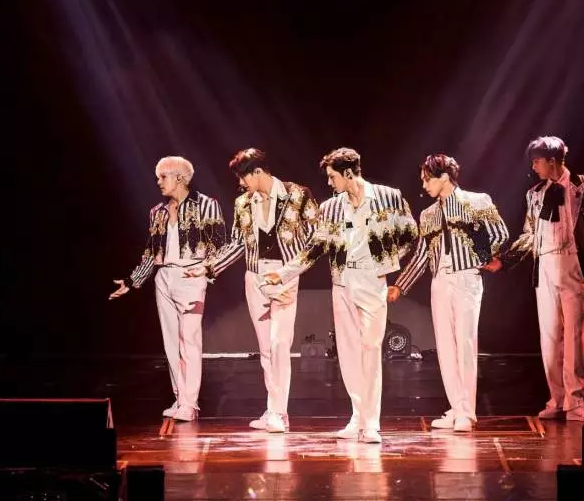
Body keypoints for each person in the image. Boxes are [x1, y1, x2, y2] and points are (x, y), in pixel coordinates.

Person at [264, 147, 418, 443]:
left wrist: (387, 261)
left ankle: (371, 422)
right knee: (347, 352)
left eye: (332, 176)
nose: (329, 182)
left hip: (372, 280)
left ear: (349, 173)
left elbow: (411, 233)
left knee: (370, 347)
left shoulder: (389, 197)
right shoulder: (330, 208)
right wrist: (284, 273)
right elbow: (314, 247)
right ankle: (358, 416)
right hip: (343, 281)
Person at [185, 148, 319, 433]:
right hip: (255, 278)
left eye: (243, 177)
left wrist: (292, 271)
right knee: (266, 349)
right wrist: (208, 267)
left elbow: (316, 238)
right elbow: (237, 243)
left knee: (279, 344)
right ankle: (275, 410)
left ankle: (278, 412)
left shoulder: (298, 194)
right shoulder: (243, 202)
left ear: (258, 172)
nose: (241, 183)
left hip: (284, 276)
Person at [490, 136, 584, 422]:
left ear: (553, 160)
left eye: (537, 161)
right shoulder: (534, 193)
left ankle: (575, 401)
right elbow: (530, 234)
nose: (533, 167)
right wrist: (505, 260)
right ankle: (556, 398)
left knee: (573, 337)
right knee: (549, 336)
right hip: (544, 264)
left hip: (571, 262)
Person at [388, 154, 509, 432]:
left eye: (427, 179)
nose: (424, 185)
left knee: (465, 342)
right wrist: (400, 285)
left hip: (465, 277)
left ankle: (467, 411)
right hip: (439, 280)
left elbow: (499, 233)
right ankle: (456, 407)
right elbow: (421, 256)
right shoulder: (428, 214)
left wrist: (480, 257)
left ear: (444, 177)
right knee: (444, 345)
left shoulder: (477, 201)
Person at [109, 156, 225, 421]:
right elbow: (150, 253)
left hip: (191, 273)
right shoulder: (157, 212)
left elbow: (219, 244)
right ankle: (179, 397)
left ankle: (190, 403)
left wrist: (206, 271)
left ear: (180, 177)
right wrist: (132, 282)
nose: (158, 182)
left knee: (190, 340)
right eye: (158, 177)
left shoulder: (206, 205)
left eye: (163, 177)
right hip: (164, 277)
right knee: (171, 342)